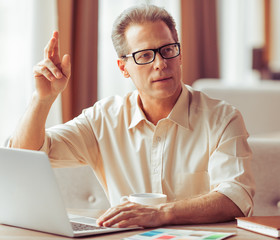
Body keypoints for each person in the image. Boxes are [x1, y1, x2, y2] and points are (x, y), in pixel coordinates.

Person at [9, 4, 255, 228]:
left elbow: (236, 198)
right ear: (123, 68)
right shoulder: (103, 119)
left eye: (168, 50)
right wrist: (42, 99)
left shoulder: (223, 118)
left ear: (179, 55)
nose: (160, 63)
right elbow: (25, 154)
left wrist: (160, 213)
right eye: (145, 55)